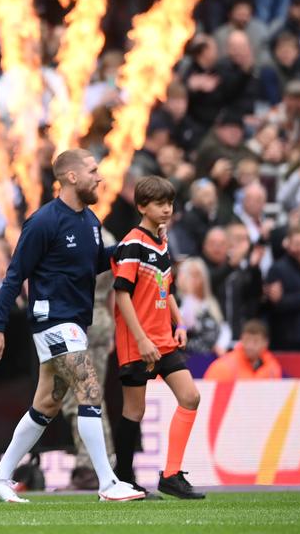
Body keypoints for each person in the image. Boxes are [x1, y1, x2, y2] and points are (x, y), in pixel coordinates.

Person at [0, 149, 144, 503]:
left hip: (76, 322)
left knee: (47, 406)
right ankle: (107, 483)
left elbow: (93, 264)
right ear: (71, 177)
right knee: (89, 388)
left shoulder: (91, 222)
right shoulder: (43, 222)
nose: (100, 177)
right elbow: (14, 277)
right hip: (52, 319)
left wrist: (126, 250)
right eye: (93, 171)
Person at [110, 176, 204, 500]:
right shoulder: (132, 244)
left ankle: (171, 475)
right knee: (134, 411)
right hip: (138, 342)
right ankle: (122, 480)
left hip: (164, 339)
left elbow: (167, 287)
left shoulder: (162, 243)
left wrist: (179, 323)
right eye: (159, 204)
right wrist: (142, 340)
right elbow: (122, 294)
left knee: (190, 397)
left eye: (170, 203)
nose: (167, 209)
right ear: (141, 207)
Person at [203, 319, 283, 380]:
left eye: (255, 341)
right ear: (241, 339)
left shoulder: (272, 368)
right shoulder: (223, 367)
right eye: (247, 340)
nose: (250, 346)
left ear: (265, 343)